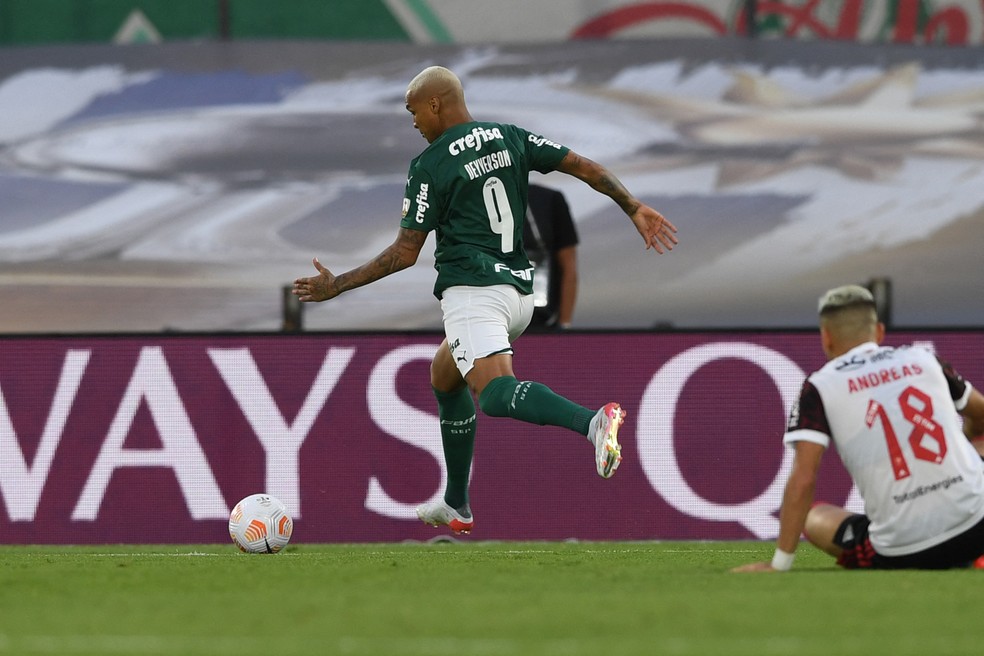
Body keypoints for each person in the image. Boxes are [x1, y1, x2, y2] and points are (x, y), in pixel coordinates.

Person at [292, 65, 677, 534]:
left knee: (493, 395)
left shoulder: (430, 165)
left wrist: (338, 286)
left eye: (414, 111)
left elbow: (404, 253)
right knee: (444, 376)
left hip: (473, 293)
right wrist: (633, 206)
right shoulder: (509, 136)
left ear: (435, 103)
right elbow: (585, 168)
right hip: (520, 294)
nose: (414, 122)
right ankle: (457, 503)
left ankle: (593, 423)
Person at [733, 284, 984, 572]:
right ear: (879, 332)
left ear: (826, 338)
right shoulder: (924, 359)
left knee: (814, 519)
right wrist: (965, 442)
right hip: (978, 527)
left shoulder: (819, 386)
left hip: (902, 552)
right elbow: (981, 414)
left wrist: (779, 565)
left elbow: (803, 477)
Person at [525, 183, 579, 330]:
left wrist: (564, 325)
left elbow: (569, 266)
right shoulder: (471, 198)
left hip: (542, 321)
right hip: (489, 319)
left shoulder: (549, 199)